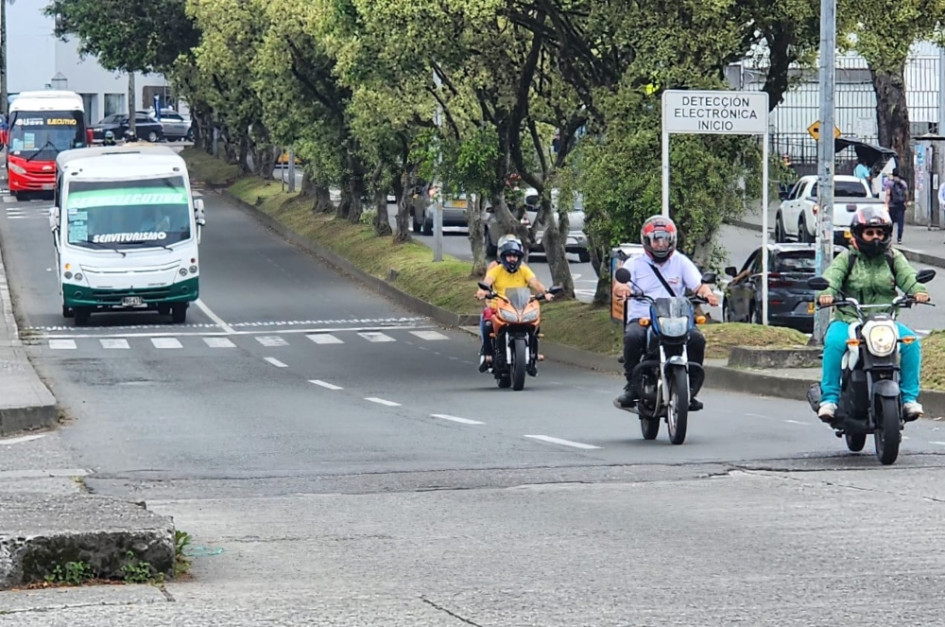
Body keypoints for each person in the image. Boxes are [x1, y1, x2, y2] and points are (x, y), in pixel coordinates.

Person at [815, 206, 929, 422]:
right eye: (870, 232)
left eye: (880, 233)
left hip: (884, 321)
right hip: (849, 319)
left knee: (911, 343)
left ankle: (909, 399)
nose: (876, 237)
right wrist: (826, 293)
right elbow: (832, 277)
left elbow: (908, 277)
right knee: (834, 343)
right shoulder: (847, 258)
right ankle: (829, 399)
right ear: (858, 234)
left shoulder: (893, 257)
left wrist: (918, 291)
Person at [613, 215, 718, 410]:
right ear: (647, 241)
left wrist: (708, 294)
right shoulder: (634, 263)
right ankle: (632, 386)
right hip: (644, 316)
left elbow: (698, 285)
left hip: (674, 316)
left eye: (665, 239)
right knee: (633, 337)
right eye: (656, 239)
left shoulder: (681, 261)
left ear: (672, 240)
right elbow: (620, 284)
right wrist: (623, 289)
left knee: (696, 339)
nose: (661, 244)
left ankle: (690, 388)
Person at [475, 236, 552, 372]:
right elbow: (487, 282)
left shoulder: (524, 270)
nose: (512, 259)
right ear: (503, 256)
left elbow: (535, 283)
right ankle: (487, 354)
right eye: (509, 256)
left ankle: (533, 354)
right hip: (498, 307)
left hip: (520, 308)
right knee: (487, 324)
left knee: (535, 323)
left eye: (515, 256)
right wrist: (482, 292)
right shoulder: (496, 270)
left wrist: (545, 292)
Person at [885, 168, 908, 244]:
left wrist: (886, 204)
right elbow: (906, 194)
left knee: (890, 223)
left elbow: (888, 194)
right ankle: (899, 239)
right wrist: (906, 202)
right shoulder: (903, 183)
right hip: (901, 205)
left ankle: (889, 237)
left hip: (892, 205)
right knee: (900, 223)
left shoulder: (890, 183)